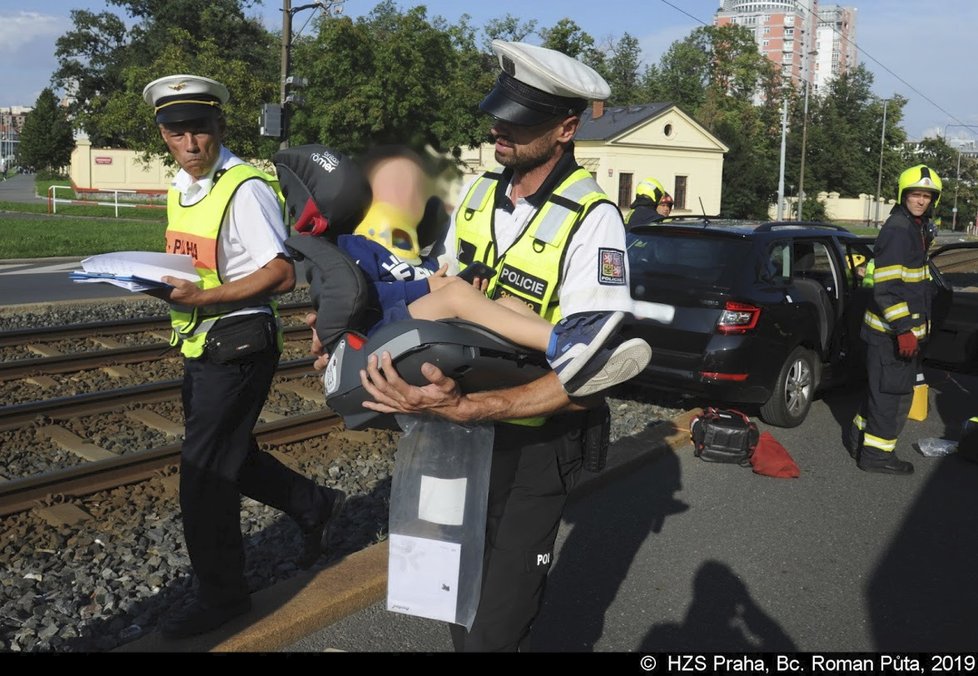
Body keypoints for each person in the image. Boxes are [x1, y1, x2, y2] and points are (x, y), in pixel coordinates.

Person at [307, 40, 639, 651]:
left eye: (519, 120)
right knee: (450, 600)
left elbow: (595, 383)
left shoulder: (592, 221)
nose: (498, 129)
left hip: (533, 445)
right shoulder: (482, 194)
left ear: (566, 128)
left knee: (497, 625)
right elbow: (433, 292)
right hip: (452, 439)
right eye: (498, 113)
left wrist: (473, 407)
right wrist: (355, 339)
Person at [142, 74, 345, 639]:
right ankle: (314, 503)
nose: (189, 144)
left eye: (199, 131)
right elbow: (195, 263)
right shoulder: (178, 188)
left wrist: (204, 297)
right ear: (162, 135)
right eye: (175, 132)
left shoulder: (245, 187)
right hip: (201, 341)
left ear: (218, 127)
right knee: (231, 454)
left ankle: (224, 596)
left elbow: (280, 274)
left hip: (238, 344)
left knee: (203, 473)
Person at [305, 146, 652, 397]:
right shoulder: (335, 254)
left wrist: (436, 276)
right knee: (458, 295)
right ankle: (565, 344)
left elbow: (410, 271)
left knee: (507, 303)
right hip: (385, 321)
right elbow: (361, 295)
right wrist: (431, 287)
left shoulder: (361, 243)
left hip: (410, 310)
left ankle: (582, 355)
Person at [847, 164, 941, 475]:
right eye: (916, 194)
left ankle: (859, 438)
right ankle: (876, 456)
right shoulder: (900, 231)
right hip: (892, 335)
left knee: (880, 392)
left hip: (892, 333)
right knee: (893, 397)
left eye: (927, 196)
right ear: (903, 195)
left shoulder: (913, 227)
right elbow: (886, 290)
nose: (921, 200)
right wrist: (904, 330)